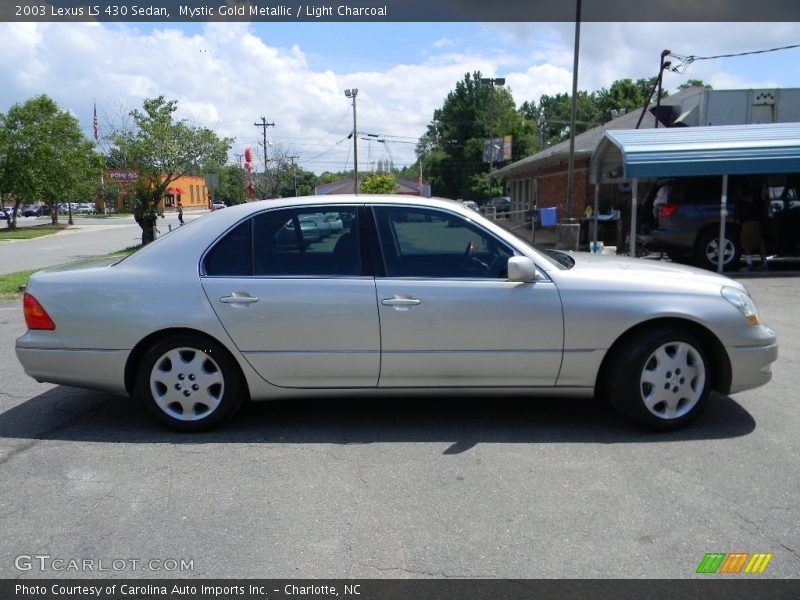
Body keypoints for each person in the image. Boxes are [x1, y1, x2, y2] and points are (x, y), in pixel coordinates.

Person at [737, 179, 768, 271]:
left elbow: (749, 199)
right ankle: (764, 264)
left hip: (749, 220)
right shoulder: (760, 189)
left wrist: (739, 195)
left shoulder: (748, 192)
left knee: (746, 243)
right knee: (759, 241)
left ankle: (749, 265)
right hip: (758, 219)